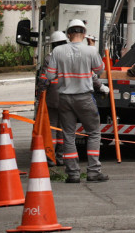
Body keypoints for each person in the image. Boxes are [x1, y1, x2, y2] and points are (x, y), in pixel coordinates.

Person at [47, 18, 111, 183]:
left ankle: (73, 174)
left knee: (68, 134)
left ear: (68, 34)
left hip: (64, 98)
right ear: (83, 34)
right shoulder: (90, 51)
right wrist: (92, 48)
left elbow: (49, 76)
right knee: (94, 132)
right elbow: (100, 71)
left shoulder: (58, 51)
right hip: (84, 97)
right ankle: (93, 172)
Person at [36, 30, 68, 166]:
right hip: (67, 99)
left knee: (52, 128)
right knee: (63, 129)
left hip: (53, 99)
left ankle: (50, 157)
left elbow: (44, 80)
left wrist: (39, 95)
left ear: (53, 45)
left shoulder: (50, 59)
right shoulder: (70, 57)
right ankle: (61, 158)